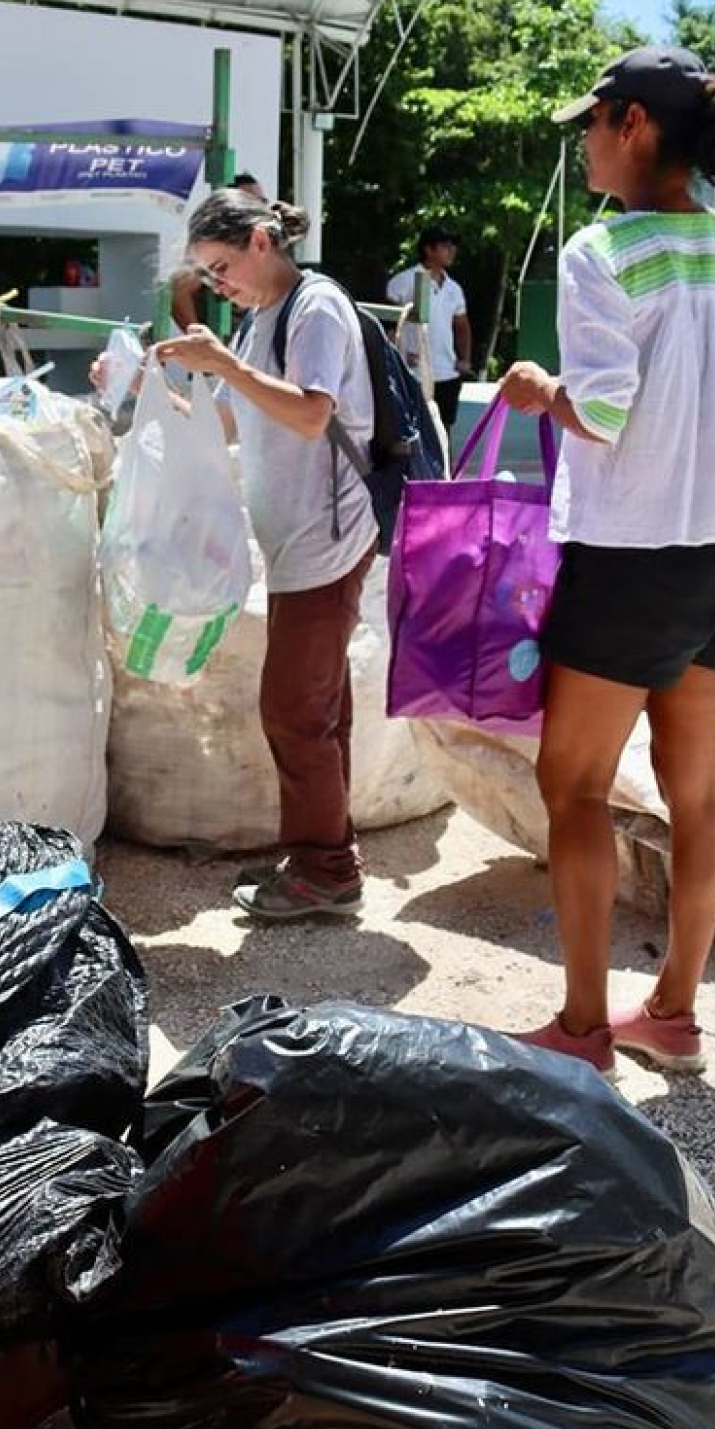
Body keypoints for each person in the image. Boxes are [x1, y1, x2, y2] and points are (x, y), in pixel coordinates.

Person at [498, 45, 715, 1076]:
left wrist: (532, 389)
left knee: (575, 790)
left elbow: (596, 410)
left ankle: (583, 1030)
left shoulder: (602, 252)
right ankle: (673, 1015)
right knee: (697, 795)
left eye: (591, 124)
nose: (586, 144)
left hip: (629, 559)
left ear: (633, 123)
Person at [153, 189, 378, 921]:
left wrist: (222, 362)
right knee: (317, 705)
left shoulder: (316, 309)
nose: (219, 286)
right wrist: (151, 391)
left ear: (259, 241)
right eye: (207, 276)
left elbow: (312, 414)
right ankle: (328, 852)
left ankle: (327, 872)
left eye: (220, 268)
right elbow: (230, 418)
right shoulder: (259, 325)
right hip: (294, 540)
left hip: (327, 535)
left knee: (291, 711)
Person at [386, 226, 471, 432]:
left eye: (453, 246)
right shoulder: (402, 282)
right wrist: (400, 354)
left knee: (444, 430)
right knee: (414, 430)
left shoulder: (454, 288)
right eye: (445, 245)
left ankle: (446, 466)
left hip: (447, 373)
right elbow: (388, 326)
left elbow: (462, 327)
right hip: (413, 371)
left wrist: (464, 359)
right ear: (429, 249)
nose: (451, 250)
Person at [170, 171, 266, 330]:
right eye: (251, 201)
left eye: (262, 201)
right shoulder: (213, 242)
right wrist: (198, 340)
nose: (259, 206)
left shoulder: (265, 242)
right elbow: (179, 288)